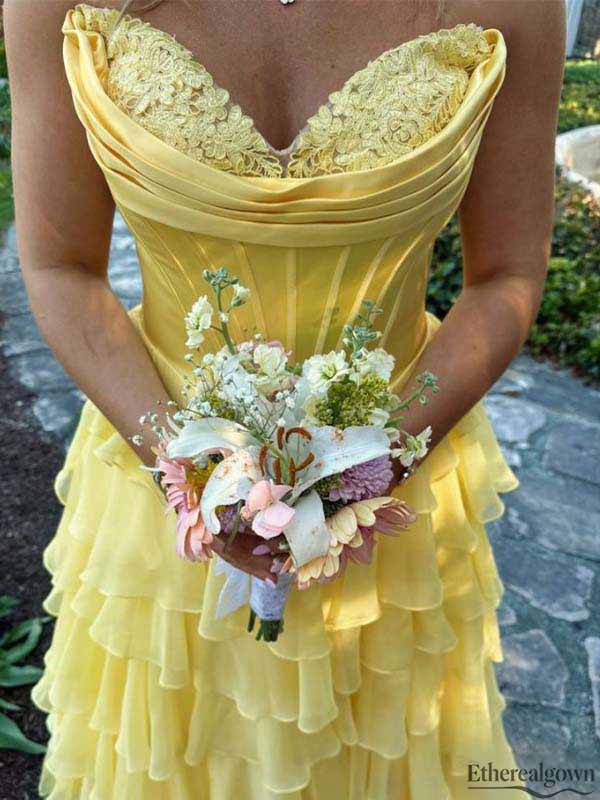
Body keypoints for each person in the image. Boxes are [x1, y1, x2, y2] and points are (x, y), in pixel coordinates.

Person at [4, 0, 566, 797]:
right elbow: (61, 268)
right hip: (159, 495)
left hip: (387, 512)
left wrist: (363, 474)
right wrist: (194, 480)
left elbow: (505, 278)